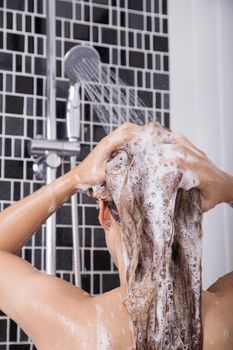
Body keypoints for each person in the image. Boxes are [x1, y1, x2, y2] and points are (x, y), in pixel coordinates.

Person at [0, 122, 232, 349]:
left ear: (104, 214)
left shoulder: (77, 328)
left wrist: (75, 178)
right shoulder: (221, 322)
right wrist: (226, 185)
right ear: (191, 216)